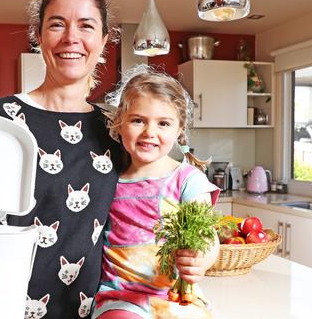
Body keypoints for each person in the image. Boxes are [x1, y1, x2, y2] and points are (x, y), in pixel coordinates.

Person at [0, 0, 122, 319]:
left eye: (86, 26)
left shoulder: (117, 130)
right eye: (57, 24)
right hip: (0, 306)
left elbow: (154, 204)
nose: (71, 38)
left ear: (103, 41)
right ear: (38, 35)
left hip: (86, 311)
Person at [92, 65, 221, 319]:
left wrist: (202, 261)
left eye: (163, 123)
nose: (150, 132)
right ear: (119, 123)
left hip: (177, 296)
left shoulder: (188, 180)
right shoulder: (109, 179)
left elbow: (208, 237)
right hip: (121, 297)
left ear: (179, 129)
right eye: (138, 120)